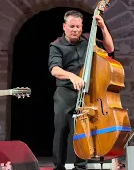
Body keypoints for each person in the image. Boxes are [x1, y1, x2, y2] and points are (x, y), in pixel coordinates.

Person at [48, 10, 114, 170]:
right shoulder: (56, 45)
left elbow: (110, 48)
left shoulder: (88, 39)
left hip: (87, 92)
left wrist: (103, 27)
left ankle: (81, 166)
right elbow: (54, 69)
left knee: (84, 128)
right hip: (66, 92)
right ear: (64, 26)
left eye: (78, 26)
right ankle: (59, 166)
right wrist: (72, 76)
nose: (75, 29)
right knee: (62, 128)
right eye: (71, 26)